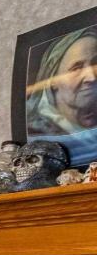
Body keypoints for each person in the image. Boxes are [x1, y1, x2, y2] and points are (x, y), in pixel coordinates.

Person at [26, 24, 97, 164]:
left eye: (95, 64)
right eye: (76, 68)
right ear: (52, 79)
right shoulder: (37, 134)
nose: (91, 77)